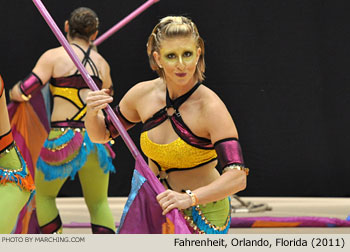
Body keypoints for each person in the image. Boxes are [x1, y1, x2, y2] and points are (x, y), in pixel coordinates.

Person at [85, 16, 248, 234]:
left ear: (198, 53)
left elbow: (237, 178)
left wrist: (189, 198)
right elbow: (102, 135)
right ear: (158, 58)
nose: (181, 64)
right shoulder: (141, 95)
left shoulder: (211, 108)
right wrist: (91, 111)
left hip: (202, 213)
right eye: (171, 56)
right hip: (154, 206)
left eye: (187, 54)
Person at [9, 7, 116, 234]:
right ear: (94, 34)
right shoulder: (103, 63)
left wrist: (12, 93)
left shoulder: (54, 56)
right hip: (96, 141)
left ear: (67, 27)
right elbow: (108, 103)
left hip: (62, 140)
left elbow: (26, 90)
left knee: (44, 196)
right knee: (99, 203)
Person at [0, 75, 35, 233]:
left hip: (9, 173)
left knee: (47, 199)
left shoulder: (51, 57)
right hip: (92, 140)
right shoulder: (102, 65)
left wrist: (17, 91)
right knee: (98, 203)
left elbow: (21, 91)